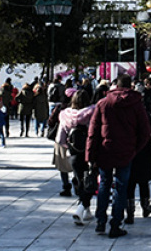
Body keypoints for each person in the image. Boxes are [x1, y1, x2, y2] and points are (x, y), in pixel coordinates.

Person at [86, 73, 151, 239]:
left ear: (116, 85)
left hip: (105, 150)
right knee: (121, 187)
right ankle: (116, 223)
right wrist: (135, 149)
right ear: (130, 86)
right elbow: (145, 132)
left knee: (104, 184)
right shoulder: (136, 104)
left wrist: (90, 155)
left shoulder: (103, 103)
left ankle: (101, 221)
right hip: (126, 151)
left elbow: (93, 132)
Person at [61, 89, 97, 225]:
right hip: (90, 151)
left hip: (74, 152)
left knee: (80, 180)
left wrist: (68, 147)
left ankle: (85, 210)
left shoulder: (65, 115)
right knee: (91, 180)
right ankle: (81, 208)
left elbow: (60, 138)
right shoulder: (92, 112)